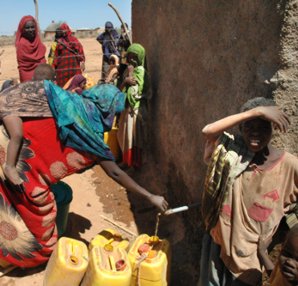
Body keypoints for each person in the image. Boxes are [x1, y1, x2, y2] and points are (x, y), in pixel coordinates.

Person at [0, 78, 168, 269]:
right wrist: (150, 196)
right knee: (40, 217)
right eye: (116, 113)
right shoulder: (90, 135)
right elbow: (115, 173)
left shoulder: (68, 101)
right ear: (108, 111)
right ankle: (27, 258)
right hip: (18, 161)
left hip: (7, 142)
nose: (116, 118)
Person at [198, 97, 297, 286]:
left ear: (272, 128)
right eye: (248, 126)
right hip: (218, 240)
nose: (255, 133)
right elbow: (207, 131)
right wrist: (257, 112)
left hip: (248, 259)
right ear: (241, 129)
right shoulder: (232, 152)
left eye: (262, 126)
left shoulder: (289, 167)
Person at [0, 64, 55, 186]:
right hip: (7, 107)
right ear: (52, 79)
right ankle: (10, 166)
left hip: (5, 101)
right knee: (17, 135)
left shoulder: (28, 84)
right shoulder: (47, 89)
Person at [117, 43, 148, 169]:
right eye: (129, 56)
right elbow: (120, 90)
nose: (131, 60)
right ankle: (126, 161)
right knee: (124, 136)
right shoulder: (127, 71)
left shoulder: (141, 72)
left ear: (140, 57)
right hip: (126, 108)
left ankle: (132, 164)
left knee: (133, 137)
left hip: (134, 109)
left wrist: (130, 76)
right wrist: (126, 80)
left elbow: (134, 93)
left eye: (134, 57)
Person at [50, 23, 85, 87]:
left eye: (64, 30)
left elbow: (81, 52)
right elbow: (56, 56)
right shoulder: (60, 42)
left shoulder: (73, 41)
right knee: (67, 87)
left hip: (71, 68)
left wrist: (82, 61)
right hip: (64, 69)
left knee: (72, 86)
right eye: (62, 31)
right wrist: (53, 66)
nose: (64, 32)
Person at [15, 15, 46, 82]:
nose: (30, 30)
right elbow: (23, 65)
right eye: (27, 28)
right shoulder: (21, 44)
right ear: (22, 29)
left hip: (41, 73)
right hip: (26, 73)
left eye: (32, 27)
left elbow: (42, 59)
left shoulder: (38, 41)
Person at [117, 23, 131, 88]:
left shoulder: (128, 35)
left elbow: (127, 43)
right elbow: (118, 43)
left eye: (123, 28)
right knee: (122, 67)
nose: (122, 29)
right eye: (121, 28)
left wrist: (122, 42)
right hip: (122, 54)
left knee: (125, 67)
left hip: (126, 54)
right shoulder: (122, 35)